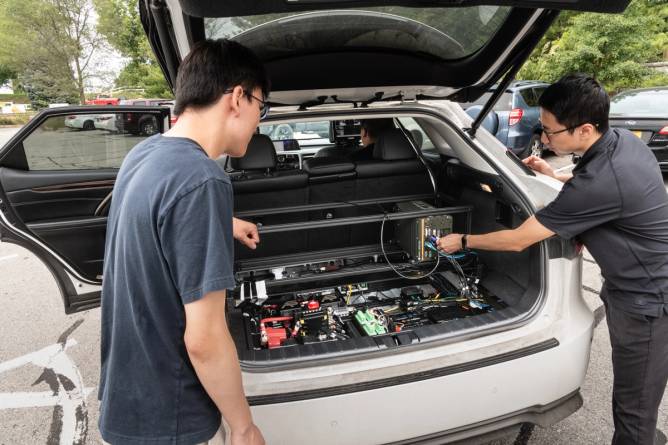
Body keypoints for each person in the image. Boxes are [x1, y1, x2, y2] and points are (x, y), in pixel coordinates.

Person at [437, 74, 668, 445]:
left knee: (635, 407)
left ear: (585, 129)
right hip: (637, 287)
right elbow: (594, 185)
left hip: (647, 303)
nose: (544, 140)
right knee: (638, 396)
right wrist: (553, 172)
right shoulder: (622, 143)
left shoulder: (600, 181)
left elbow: (518, 240)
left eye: (550, 132)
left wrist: (462, 239)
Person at [98, 39, 269, 445]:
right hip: (170, 418)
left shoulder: (147, 153)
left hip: (127, 399)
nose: (260, 122)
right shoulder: (204, 180)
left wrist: (220, 222)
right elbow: (204, 339)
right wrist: (243, 427)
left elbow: (153, 213)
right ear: (239, 98)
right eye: (262, 106)